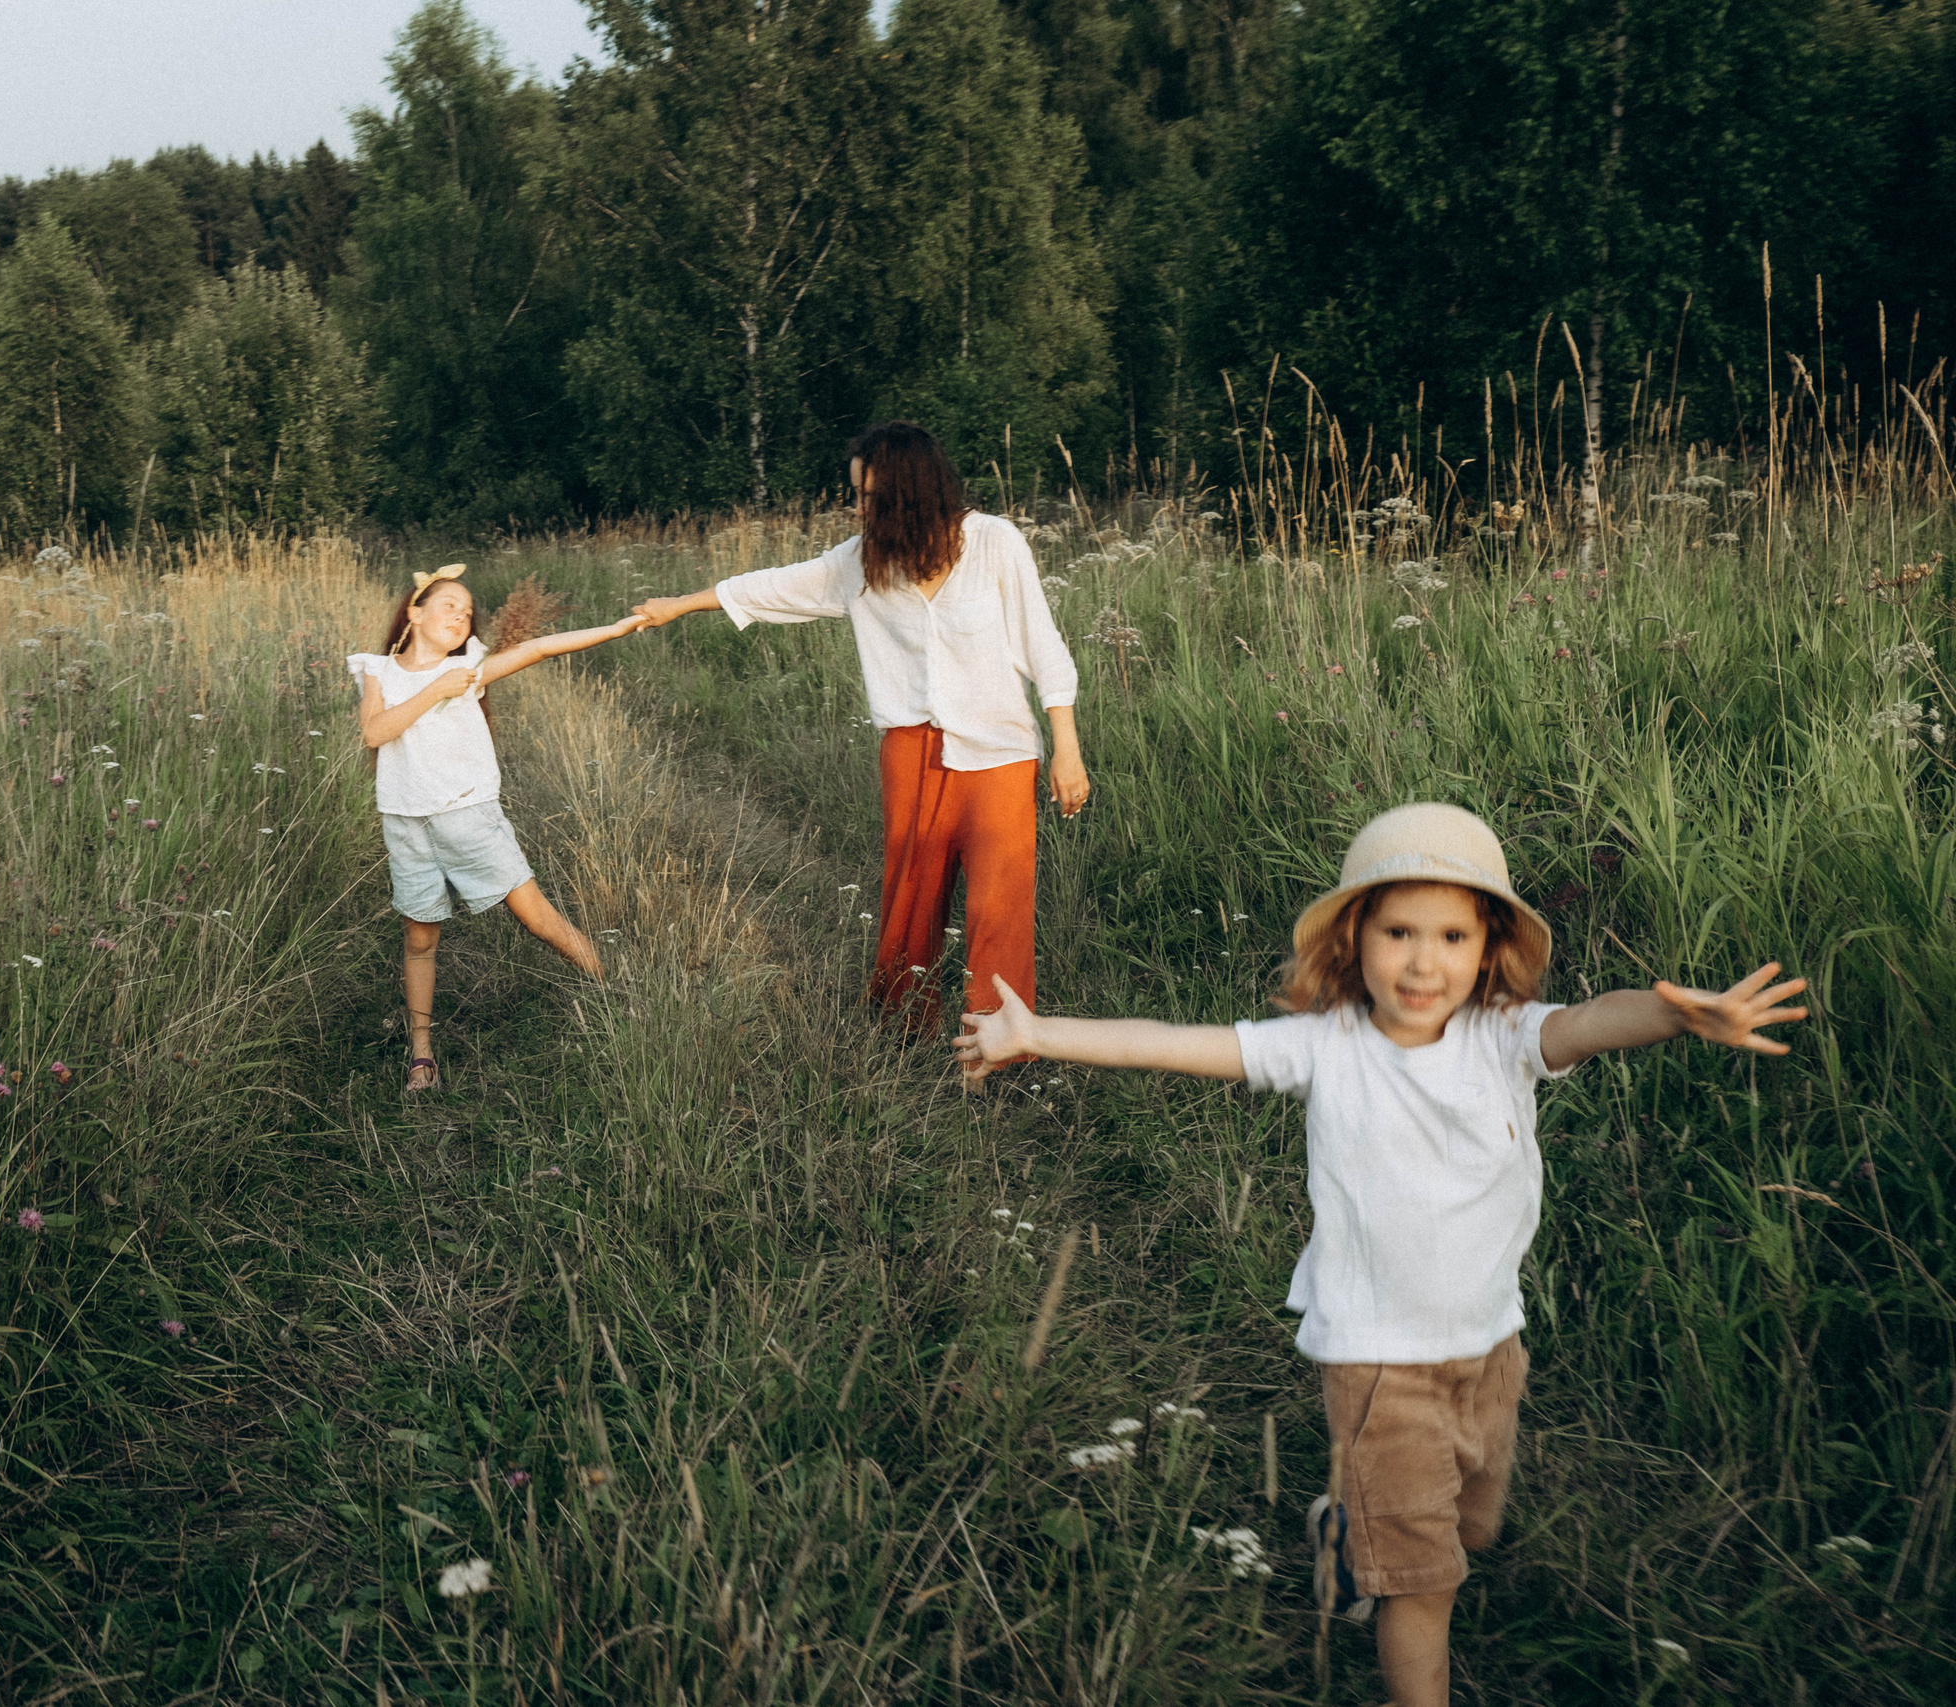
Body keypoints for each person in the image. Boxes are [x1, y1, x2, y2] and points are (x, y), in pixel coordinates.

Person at [951, 802, 1806, 1707]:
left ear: (1489, 947)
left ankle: (1343, 1529)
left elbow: (1593, 1021)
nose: (1424, 960)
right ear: (1356, 937)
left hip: (1490, 1346)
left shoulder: (1505, 1037)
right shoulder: (1327, 1048)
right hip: (1376, 1361)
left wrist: (1677, 1017)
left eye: (1451, 934)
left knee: (1471, 1530)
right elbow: (1180, 1044)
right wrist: (1039, 1033)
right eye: (1399, 930)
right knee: (1424, 1580)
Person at [632, 421, 1088, 1051]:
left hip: (1001, 754)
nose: (858, 510)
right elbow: (772, 586)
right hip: (911, 752)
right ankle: (904, 1028)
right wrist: (677, 605)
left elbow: (1045, 648)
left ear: (913, 491)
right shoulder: (860, 563)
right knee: (911, 894)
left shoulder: (995, 544)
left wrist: (1067, 748)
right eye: (857, 496)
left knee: (999, 908)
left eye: (870, 497)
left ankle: (998, 1052)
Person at [351, 563, 645, 1092]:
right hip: (406, 825)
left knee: (537, 918)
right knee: (419, 937)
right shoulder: (380, 670)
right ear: (415, 612)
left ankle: (621, 991)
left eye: (468, 612)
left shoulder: (470, 670)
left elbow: (539, 649)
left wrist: (616, 628)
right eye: (449, 605)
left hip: (468, 817)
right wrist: (436, 687)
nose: (462, 616)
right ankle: (422, 1055)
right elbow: (375, 733)